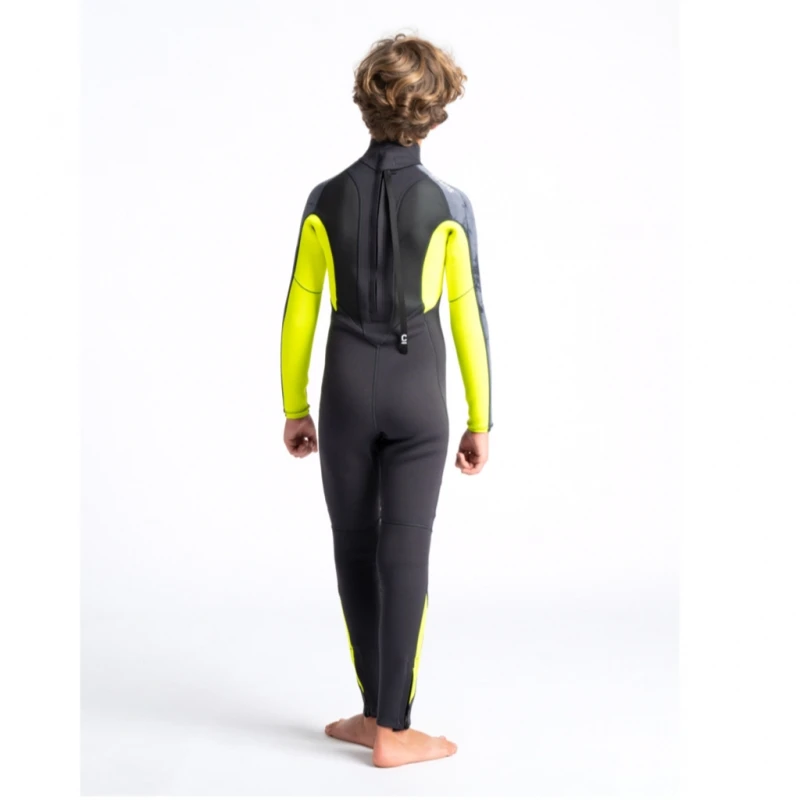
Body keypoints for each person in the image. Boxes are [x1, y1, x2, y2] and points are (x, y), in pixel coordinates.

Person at [279, 32, 492, 768]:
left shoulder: (325, 198)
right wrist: (481, 419)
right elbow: (466, 315)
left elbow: (301, 307)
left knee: (353, 545)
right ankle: (394, 730)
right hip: (417, 395)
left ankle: (374, 715)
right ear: (437, 112)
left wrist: (294, 406)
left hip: (344, 390)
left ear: (364, 104)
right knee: (405, 549)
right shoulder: (448, 204)